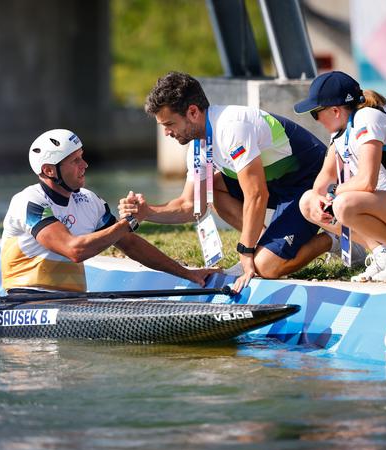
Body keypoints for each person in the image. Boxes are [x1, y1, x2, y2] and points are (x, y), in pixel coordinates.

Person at [118, 71, 332, 292]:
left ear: (192, 112)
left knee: (266, 267)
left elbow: (257, 195)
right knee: (215, 188)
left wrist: (245, 250)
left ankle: (334, 238)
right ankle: (262, 245)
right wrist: (147, 212)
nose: (166, 133)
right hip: (278, 184)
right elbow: (191, 206)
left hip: (310, 182)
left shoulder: (232, 127)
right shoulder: (196, 146)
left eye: (169, 124)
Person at [0, 128, 217, 292]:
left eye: (82, 157)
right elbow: (74, 250)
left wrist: (187, 273)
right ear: (49, 170)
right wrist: (129, 222)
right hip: (26, 300)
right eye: (75, 161)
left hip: (73, 304)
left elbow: (130, 244)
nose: (84, 165)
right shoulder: (30, 202)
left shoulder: (90, 201)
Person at [295, 71, 386, 282]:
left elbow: (366, 182)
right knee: (308, 202)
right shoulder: (344, 125)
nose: (316, 119)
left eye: (315, 113)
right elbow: (325, 177)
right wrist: (320, 198)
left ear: (336, 111)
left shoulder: (368, 118)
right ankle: (383, 255)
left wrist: (333, 193)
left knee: (343, 204)